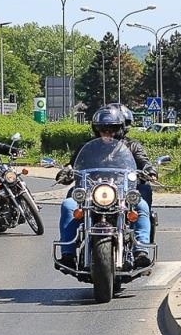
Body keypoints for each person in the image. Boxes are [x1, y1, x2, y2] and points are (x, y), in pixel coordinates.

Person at [58, 106, 155, 267]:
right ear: (96, 130)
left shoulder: (132, 146)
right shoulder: (87, 146)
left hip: (122, 191)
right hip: (91, 191)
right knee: (68, 205)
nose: (107, 133)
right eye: (102, 129)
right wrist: (66, 171)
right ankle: (67, 253)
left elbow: (143, 161)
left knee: (142, 206)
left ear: (120, 129)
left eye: (112, 129)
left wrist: (149, 170)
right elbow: (74, 164)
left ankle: (141, 251)